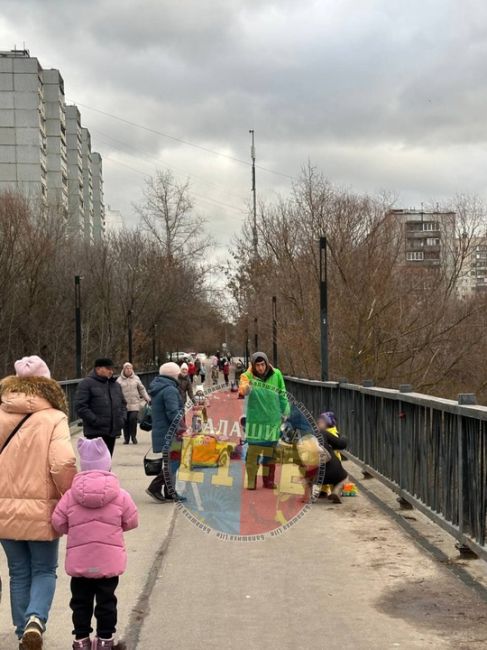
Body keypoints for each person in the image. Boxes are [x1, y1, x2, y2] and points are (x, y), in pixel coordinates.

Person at [0, 355, 76, 648]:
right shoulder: (54, 417)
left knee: (17, 571)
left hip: (4, 509)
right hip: (42, 508)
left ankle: (23, 631)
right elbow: (61, 463)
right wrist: (68, 495)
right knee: (44, 570)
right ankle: (35, 619)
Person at [52, 437, 138, 650]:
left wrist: (73, 530)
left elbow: (58, 522)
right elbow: (131, 521)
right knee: (107, 601)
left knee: (80, 602)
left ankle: (81, 640)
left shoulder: (71, 496)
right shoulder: (120, 495)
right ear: (107, 464)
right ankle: (105, 639)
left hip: (80, 563)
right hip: (108, 563)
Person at [239, 352, 290, 490]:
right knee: (253, 453)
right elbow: (243, 391)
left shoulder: (276, 374)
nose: (261, 368)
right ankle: (251, 481)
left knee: (270, 453)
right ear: (253, 365)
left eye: (263, 364)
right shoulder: (246, 376)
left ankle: (268, 481)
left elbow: (282, 393)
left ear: (267, 363)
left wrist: (286, 411)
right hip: (256, 420)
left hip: (272, 420)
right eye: (257, 365)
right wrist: (249, 376)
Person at [146, 363, 186, 503]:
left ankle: (170, 492)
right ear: (173, 374)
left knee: (170, 461)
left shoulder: (159, 387)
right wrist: (182, 427)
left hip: (162, 430)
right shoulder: (170, 389)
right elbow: (172, 412)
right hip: (171, 432)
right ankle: (155, 487)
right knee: (173, 462)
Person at [75, 358, 127, 457]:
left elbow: (123, 404)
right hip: (95, 432)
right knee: (96, 463)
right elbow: (80, 407)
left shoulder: (115, 385)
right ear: (98, 369)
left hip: (112, 431)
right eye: (108, 368)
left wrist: (121, 419)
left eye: (112, 368)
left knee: (107, 461)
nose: (111, 371)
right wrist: (95, 421)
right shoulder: (86, 384)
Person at [116, 362, 150, 445]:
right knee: (125, 421)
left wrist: (147, 398)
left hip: (134, 403)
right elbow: (116, 392)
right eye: (127, 368)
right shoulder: (119, 380)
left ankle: (133, 436)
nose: (128, 370)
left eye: (130, 368)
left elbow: (142, 389)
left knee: (133, 419)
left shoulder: (136, 378)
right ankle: (126, 438)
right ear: (123, 369)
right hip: (124, 405)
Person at [317, 413, 348, 503]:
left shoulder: (316, 433)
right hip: (332, 462)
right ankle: (335, 491)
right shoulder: (328, 433)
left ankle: (322, 491)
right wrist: (344, 439)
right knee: (339, 476)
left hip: (317, 468)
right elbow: (341, 444)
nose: (319, 421)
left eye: (321, 421)